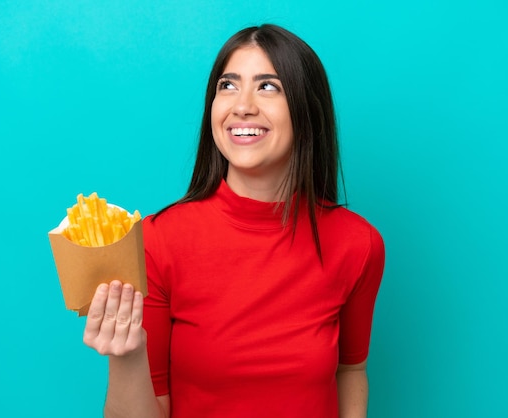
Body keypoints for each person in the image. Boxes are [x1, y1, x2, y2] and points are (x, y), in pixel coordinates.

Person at [82, 24, 385, 418]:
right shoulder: (158, 240)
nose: (242, 105)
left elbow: (351, 370)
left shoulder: (357, 244)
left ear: (307, 108)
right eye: (228, 86)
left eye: (268, 87)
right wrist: (126, 356)